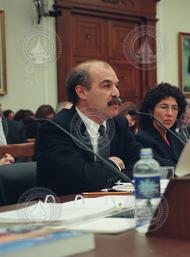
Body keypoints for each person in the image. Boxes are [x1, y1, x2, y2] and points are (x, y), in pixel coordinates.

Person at [36, 60, 141, 195]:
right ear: (82, 92)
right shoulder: (55, 129)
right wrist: (114, 164)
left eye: (116, 85)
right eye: (107, 86)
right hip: (67, 209)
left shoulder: (118, 124)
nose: (116, 93)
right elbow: (81, 180)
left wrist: (103, 174)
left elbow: (141, 165)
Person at [135, 83, 187, 167]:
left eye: (174, 108)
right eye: (164, 107)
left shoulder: (176, 137)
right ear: (151, 111)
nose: (170, 113)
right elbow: (161, 166)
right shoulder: (142, 139)